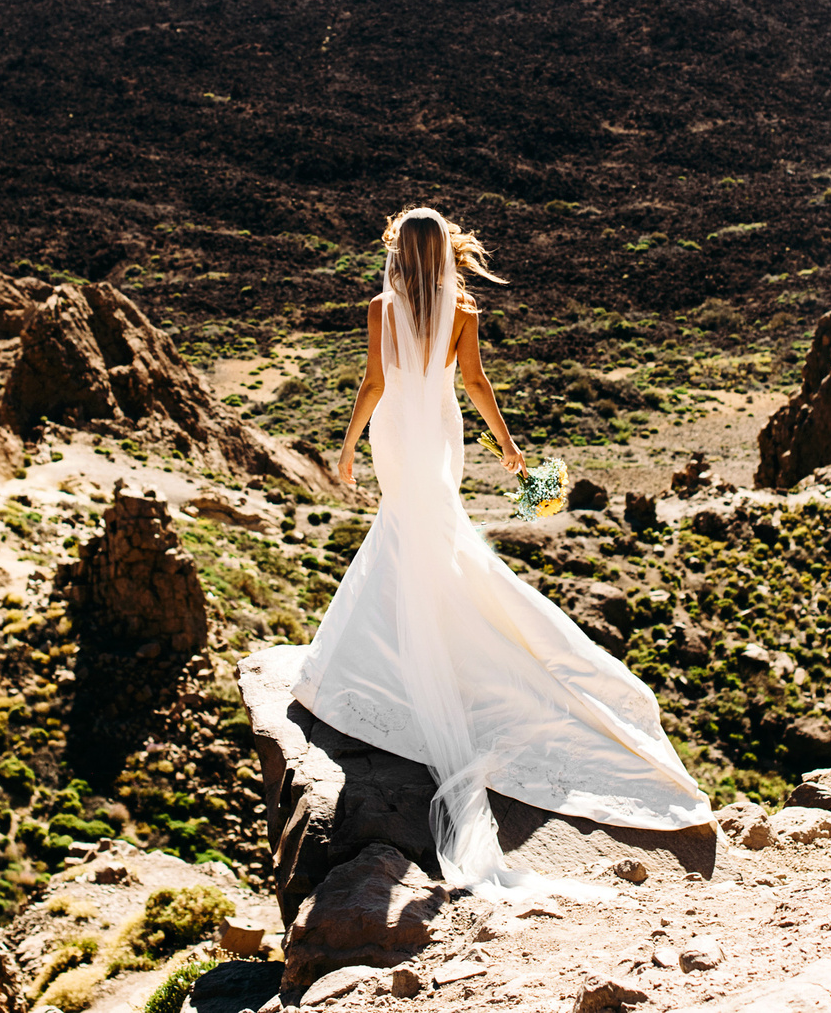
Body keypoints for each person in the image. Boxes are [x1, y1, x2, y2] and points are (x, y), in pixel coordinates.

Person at [291, 206, 710, 892]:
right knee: (430, 534)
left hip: (397, 432)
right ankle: (432, 645)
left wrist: (346, 447)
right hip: (440, 434)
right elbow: (476, 383)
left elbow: (373, 384)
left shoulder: (379, 308)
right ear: (445, 254)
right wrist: (508, 445)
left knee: (404, 531)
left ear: (402, 253)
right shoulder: (463, 310)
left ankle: (389, 659)